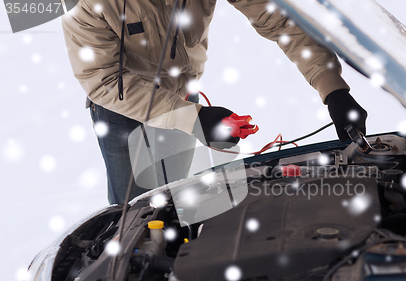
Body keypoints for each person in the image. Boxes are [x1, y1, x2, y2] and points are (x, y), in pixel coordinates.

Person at [61, 0, 367, 205]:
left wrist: (334, 90)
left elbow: (282, 23)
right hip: (122, 116)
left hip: (184, 99)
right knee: (135, 216)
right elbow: (102, 79)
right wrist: (192, 119)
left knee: (176, 199)